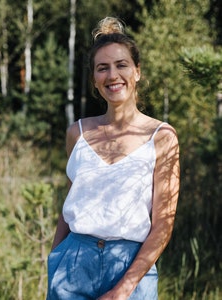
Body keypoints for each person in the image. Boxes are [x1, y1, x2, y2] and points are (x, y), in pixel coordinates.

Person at [47, 16, 180, 300]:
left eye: (121, 65)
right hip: (73, 263)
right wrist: (55, 257)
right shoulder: (77, 133)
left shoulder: (162, 136)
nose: (112, 75)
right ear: (95, 80)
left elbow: (163, 223)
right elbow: (72, 201)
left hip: (131, 264)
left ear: (137, 72)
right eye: (102, 68)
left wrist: (124, 288)